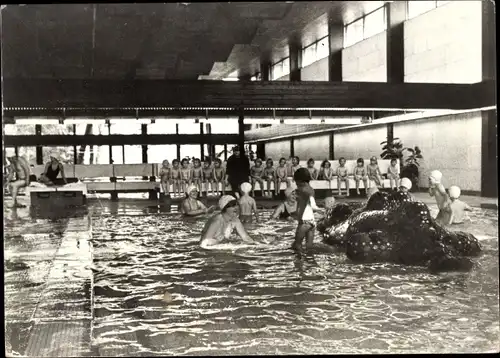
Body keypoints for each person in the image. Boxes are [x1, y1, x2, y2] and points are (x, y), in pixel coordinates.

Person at [291, 168, 323, 253]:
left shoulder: (304, 190)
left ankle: (298, 265)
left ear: (301, 181)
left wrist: (320, 210)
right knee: (309, 248)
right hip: (311, 222)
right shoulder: (310, 190)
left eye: (297, 182)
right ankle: (310, 264)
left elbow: (312, 205)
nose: (296, 184)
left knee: (297, 245)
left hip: (304, 223)